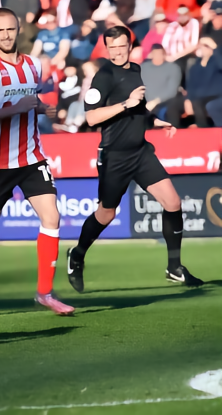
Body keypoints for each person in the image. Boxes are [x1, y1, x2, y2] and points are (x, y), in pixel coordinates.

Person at [0, 8, 75, 320]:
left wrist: (44, 109)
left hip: (32, 156)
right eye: (0, 30)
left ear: (18, 29)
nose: (6, 35)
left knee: (52, 217)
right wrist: (15, 108)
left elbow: (31, 102)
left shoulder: (34, 65)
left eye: (10, 29)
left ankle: (45, 292)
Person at [67, 26, 204, 292]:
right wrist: (124, 104)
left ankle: (174, 267)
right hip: (114, 156)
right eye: (112, 47)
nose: (117, 52)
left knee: (173, 202)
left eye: (121, 46)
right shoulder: (104, 76)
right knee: (106, 213)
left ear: (130, 46)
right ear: (107, 48)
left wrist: (154, 121)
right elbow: (91, 117)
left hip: (140, 152)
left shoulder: (135, 70)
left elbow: (138, 107)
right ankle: (77, 254)